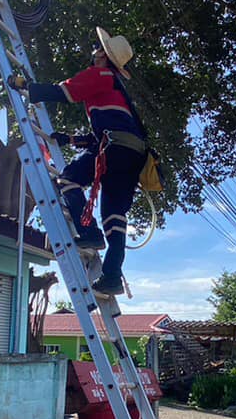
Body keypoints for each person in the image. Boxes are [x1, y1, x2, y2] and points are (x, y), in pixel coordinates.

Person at [8, 27, 145, 297]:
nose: (94, 51)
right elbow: (102, 133)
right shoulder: (117, 90)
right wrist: (70, 140)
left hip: (114, 149)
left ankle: (89, 232)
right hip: (133, 154)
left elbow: (65, 91)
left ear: (104, 56)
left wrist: (28, 88)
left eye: (98, 48)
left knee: (68, 178)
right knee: (115, 218)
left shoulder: (101, 75)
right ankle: (112, 278)